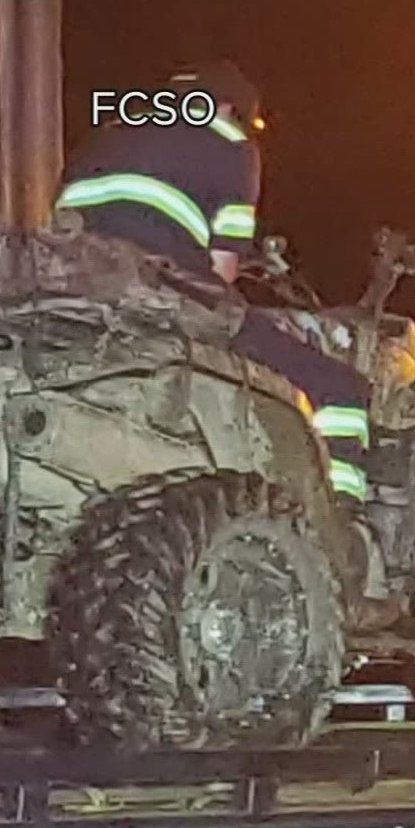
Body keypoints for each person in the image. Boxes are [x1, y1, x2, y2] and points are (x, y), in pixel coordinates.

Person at [54, 60, 372, 506]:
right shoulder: (233, 145)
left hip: (70, 287)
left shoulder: (108, 133)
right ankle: (344, 519)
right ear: (226, 107)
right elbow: (221, 273)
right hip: (164, 295)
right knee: (339, 388)